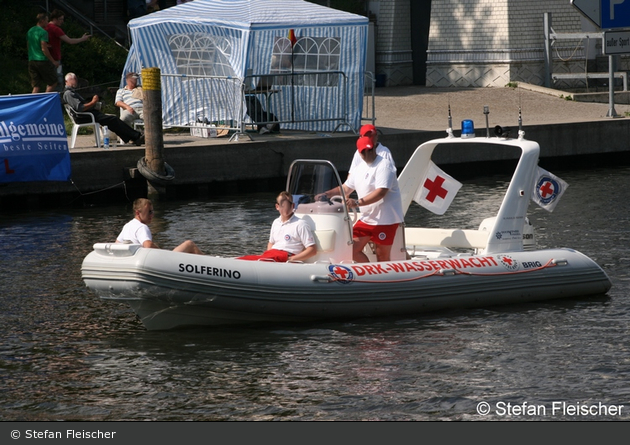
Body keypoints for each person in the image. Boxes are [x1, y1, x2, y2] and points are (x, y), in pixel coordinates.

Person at [319, 136, 403, 263]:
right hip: (367, 218)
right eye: (363, 151)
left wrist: (357, 203)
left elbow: (381, 192)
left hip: (386, 219)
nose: (367, 153)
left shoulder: (385, 165)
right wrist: (327, 194)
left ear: (374, 148)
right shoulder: (359, 169)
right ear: (359, 152)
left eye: (369, 150)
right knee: (350, 250)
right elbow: (346, 188)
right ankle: (369, 274)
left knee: (382, 256)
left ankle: (381, 278)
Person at [63, 72, 145, 146]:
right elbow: (80, 108)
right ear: (66, 82)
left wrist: (95, 106)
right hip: (83, 117)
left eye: (75, 79)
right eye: (72, 80)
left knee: (112, 120)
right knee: (113, 119)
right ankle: (136, 136)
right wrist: (93, 102)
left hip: (87, 115)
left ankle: (134, 137)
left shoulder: (73, 92)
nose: (75, 81)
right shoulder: (69, 93)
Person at [238, 191, 317, 262]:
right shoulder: (276, 222)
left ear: (292, 205)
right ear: (277, 207)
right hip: (274, 254)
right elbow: (271, 243)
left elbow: (312, 249)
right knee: (246, 258)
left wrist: (291, 259)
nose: (285, 208)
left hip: (287, 255)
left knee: (250, 260)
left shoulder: (300, 224)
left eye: (287, 204)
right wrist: (269, 256)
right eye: (282, 205)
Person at [116, 198, 203, 254]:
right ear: (138, 213)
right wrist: (162, 253)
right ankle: (212, 265)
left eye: (152, 212)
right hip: (161, 262)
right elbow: (148, 245)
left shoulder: (127, 226)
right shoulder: (142, 227)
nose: (152, 215)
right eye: (149, 212)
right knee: (189, 244)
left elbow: (117, 243)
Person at [45, 10, 90, 90]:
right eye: (61, 19)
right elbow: (70, 41)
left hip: (46, 58)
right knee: (57, 81)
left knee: (50, 81)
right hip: (55, 58)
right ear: (55, 19)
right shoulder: (55, 29)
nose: (62, 21)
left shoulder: (45, 27)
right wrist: (82, 39)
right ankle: (56, 99)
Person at [27, 13, 58, 93]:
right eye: (47, 21)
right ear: (42, 21)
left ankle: (33, 103)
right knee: (53, 82)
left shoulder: (30, 31)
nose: (47, 23)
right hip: (42, 60)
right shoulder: (43, 32)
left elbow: (29, 45)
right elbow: (44, 48)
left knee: (36, 86)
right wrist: (53, 61)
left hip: (32, 60)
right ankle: (45, 101)